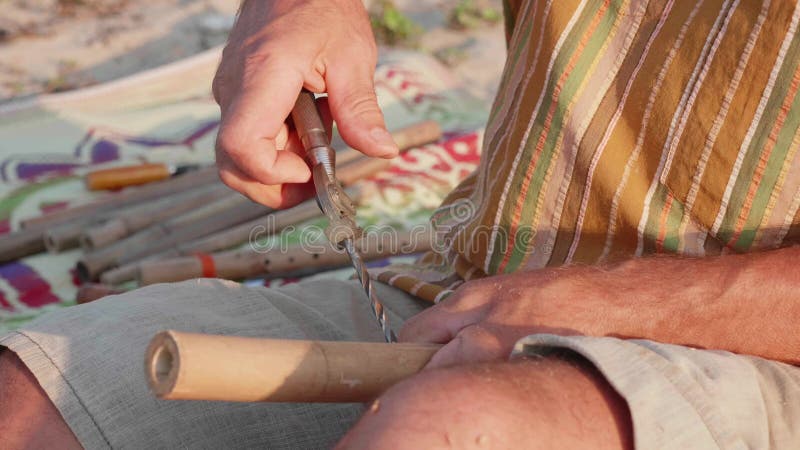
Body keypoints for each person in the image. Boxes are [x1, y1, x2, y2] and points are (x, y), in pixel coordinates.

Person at [2, 0, 799, 448]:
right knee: (27, 404)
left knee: (444, 434)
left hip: (752, 334)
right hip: (481, 280)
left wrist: (609, 303)